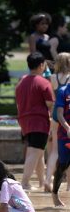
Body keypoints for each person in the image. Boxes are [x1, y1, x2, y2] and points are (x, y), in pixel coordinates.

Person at [15, 52, 54, 190]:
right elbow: (50, 103)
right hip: (39, 121)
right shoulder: (43, 82)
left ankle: (42, 183)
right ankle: (25, 182)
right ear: (41, 65)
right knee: (34, 152)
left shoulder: (21, 82)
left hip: (24, 122)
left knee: (38, 152)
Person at [46, 52, 70, 192]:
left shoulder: (52, 77)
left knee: (54, 150)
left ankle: (48, 181)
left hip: (55, 112)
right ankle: (68, 186)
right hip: (67, 114)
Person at [52, 60, 70, 206]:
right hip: (65, 136)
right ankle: (55, 194)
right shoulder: (63, 91)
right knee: (63, 165)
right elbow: (59, 113)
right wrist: (67, 127)